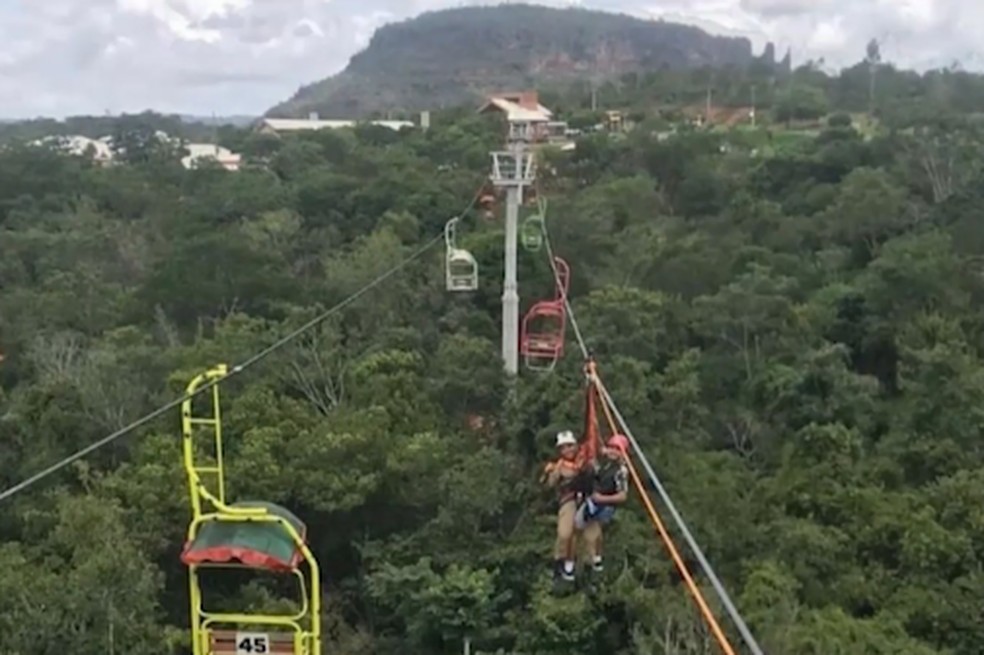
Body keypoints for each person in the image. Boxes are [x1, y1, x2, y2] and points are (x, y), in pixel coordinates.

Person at [575, 434, 630, 573]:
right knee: (578, 524)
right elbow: (600, 453)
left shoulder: (621, 471)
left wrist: (602, 499)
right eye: (611, 447)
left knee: (591, 529)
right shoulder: (606, 464)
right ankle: (592, 557)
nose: (612, 451)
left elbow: (623, 496)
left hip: (605, 505)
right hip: (594, 501)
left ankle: (594, 560)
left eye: (617, 449)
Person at [542, 429, 591, 582]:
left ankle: (579, 564)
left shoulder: (585, 459)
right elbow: (549, 485)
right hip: (569, 500)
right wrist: (553, 472)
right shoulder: (560, 465)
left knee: (585, 535)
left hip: (588, 499)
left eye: (570, 446)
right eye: (563, 448)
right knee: (565, 533)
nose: (567, 450)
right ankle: (560, 563)